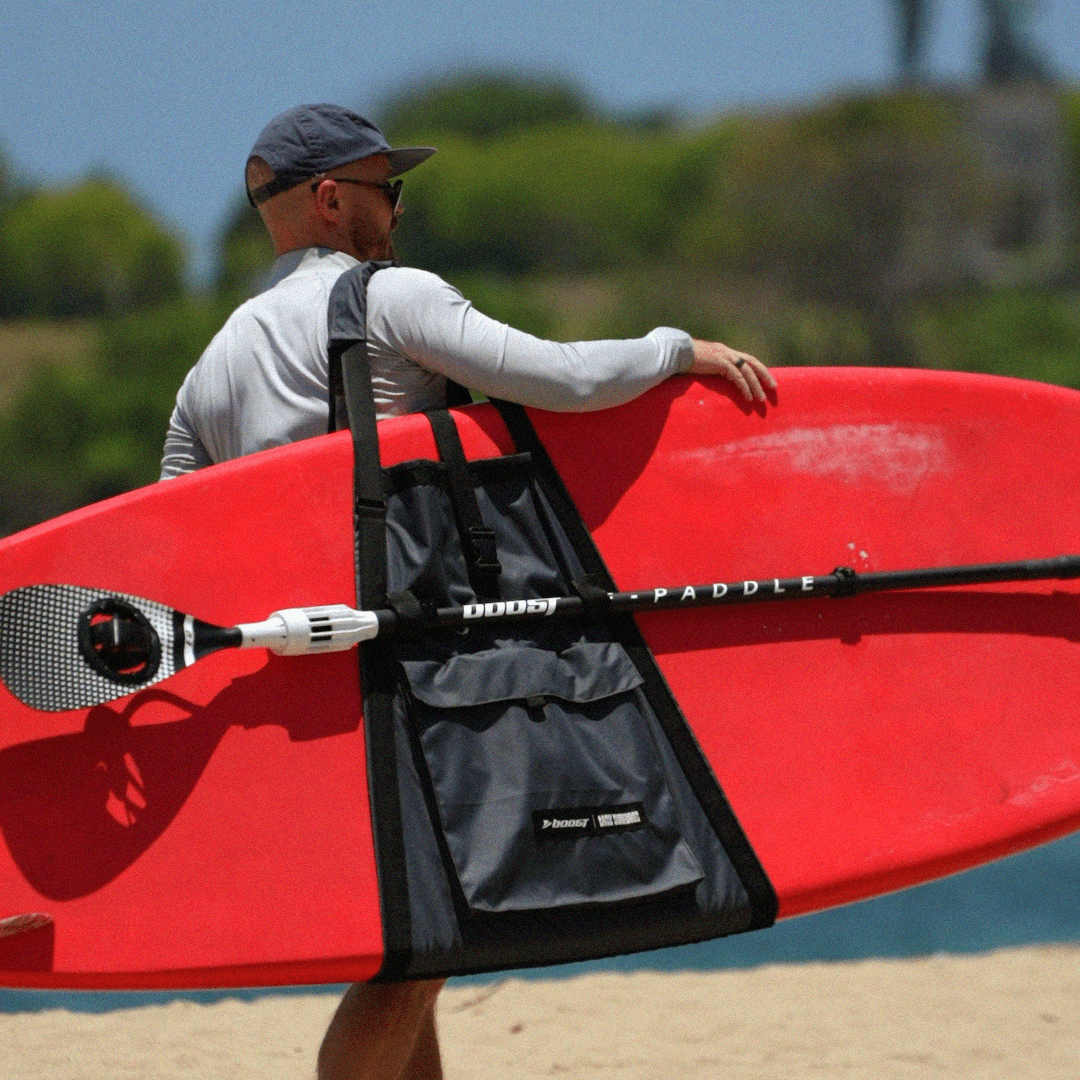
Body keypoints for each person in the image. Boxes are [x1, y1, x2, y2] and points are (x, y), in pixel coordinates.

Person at [159, 103, 776, 1080]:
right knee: (421, 945)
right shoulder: (388, 297)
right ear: (328, 201)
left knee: (425, 934)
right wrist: (676, 350)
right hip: (410, 659)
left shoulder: (214, 363)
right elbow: (557, 379)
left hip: (297, 682)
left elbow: (174, 533)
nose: (397, 212)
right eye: (385, 190)